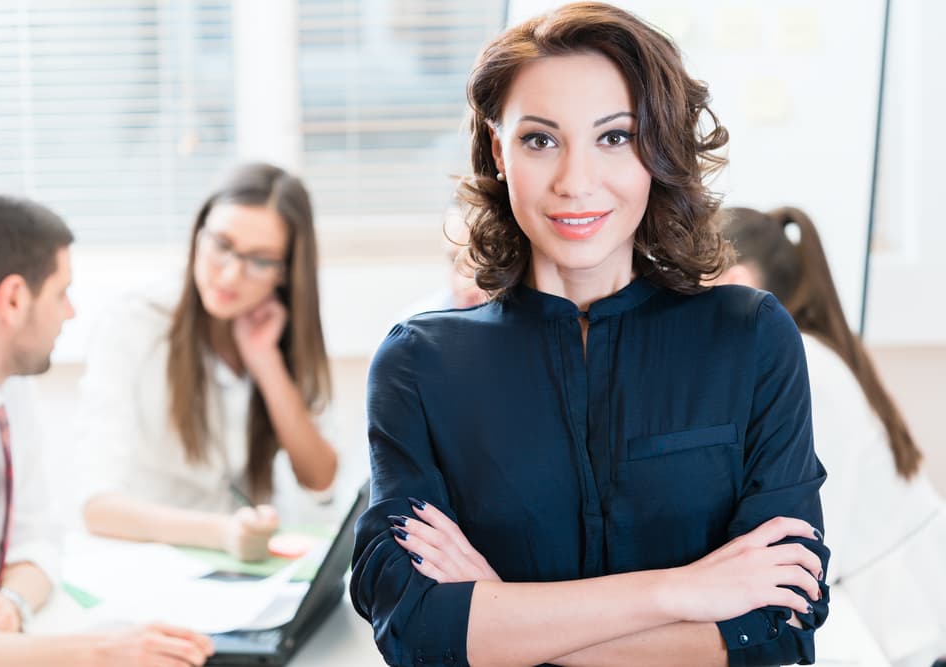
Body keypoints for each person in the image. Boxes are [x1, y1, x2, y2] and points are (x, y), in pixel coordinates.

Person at [351, 3, 830, 666]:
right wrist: (687, 591)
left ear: (657, 147)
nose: (576, 182)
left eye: (614, 137)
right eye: (540, 139)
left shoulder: (750, 340)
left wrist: (502, 613)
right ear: (499, 149)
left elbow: (780, 629)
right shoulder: (419, 366)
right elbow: (416, 629)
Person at [0, 194, 213, 666]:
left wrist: (12, 602)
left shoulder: (6, 386)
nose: (69, 313)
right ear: (12, 299)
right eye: (60, 293)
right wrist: (94, 652)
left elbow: (39, 536)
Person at [716, 205, 946, 667]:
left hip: (911, 633)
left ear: (735, 284)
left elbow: (811, 558)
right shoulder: (805, 355)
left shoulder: (805, 367)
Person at [77, 163, 338, 562]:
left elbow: (320, 479)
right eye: (222, 245)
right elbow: (96, 507)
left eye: (261, 260)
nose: (231, 275)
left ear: (285, 272)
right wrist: (223, 532)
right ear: (198, 234)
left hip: (245, 570)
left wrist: (265, 361)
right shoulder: (133, 324)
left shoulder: (278, 332)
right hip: (153, 561)